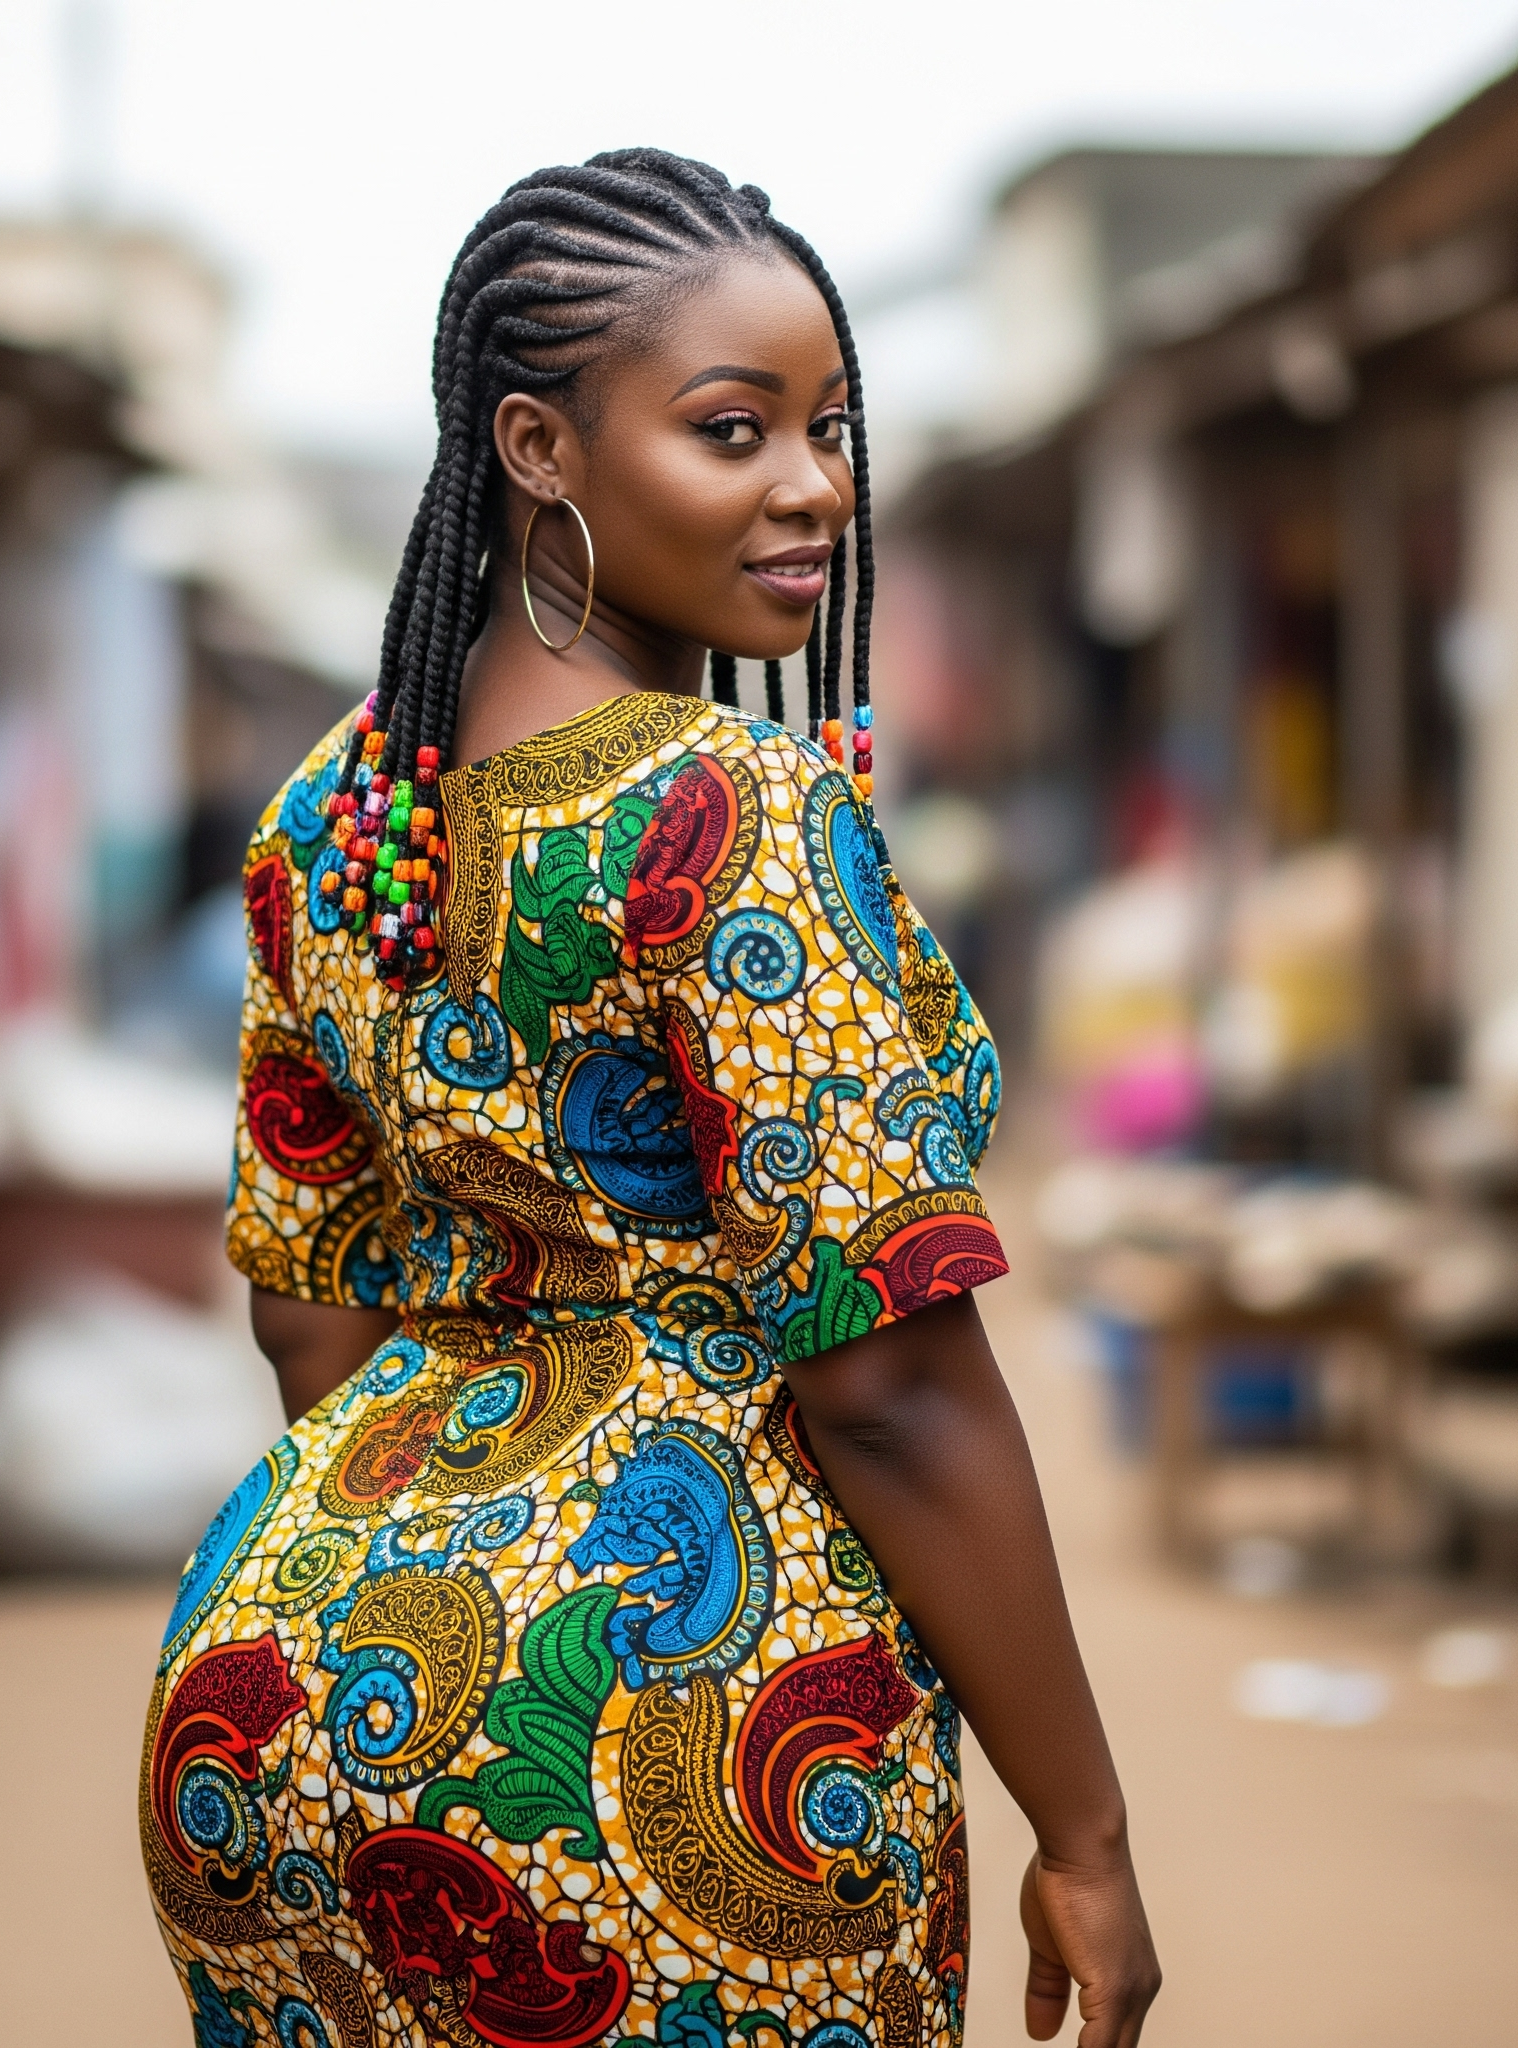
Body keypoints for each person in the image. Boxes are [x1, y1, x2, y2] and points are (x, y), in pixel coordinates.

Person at [141, 149, 1159, 2048]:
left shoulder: (336, 813)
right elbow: (891, 1389)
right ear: (538, 446)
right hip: (657, 1749)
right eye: (732, 427)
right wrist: (1083, 1829)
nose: (814, 486)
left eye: (830, 425)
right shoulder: (731, 810)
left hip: (271, 1697)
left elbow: (307, 1311)